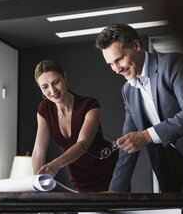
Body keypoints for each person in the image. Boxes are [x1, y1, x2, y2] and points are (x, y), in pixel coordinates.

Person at [95, 23, 183, 213]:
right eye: (110, 64)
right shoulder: (128, 91)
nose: (116, 69)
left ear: (137, 46)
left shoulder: (174, 64)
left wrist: (147, 136)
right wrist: (114, 191)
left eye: (119, 59)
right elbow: (128, 144)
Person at [31, 59, 118, 192]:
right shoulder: (44, 109)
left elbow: (83, 144)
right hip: (80, 178)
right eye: (45, 86)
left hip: (108, 173)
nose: (52, 90)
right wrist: (37, 186)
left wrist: (56, 164)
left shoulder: (90, 105)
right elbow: (38, 151)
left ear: (64, 77)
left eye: (56, 82)